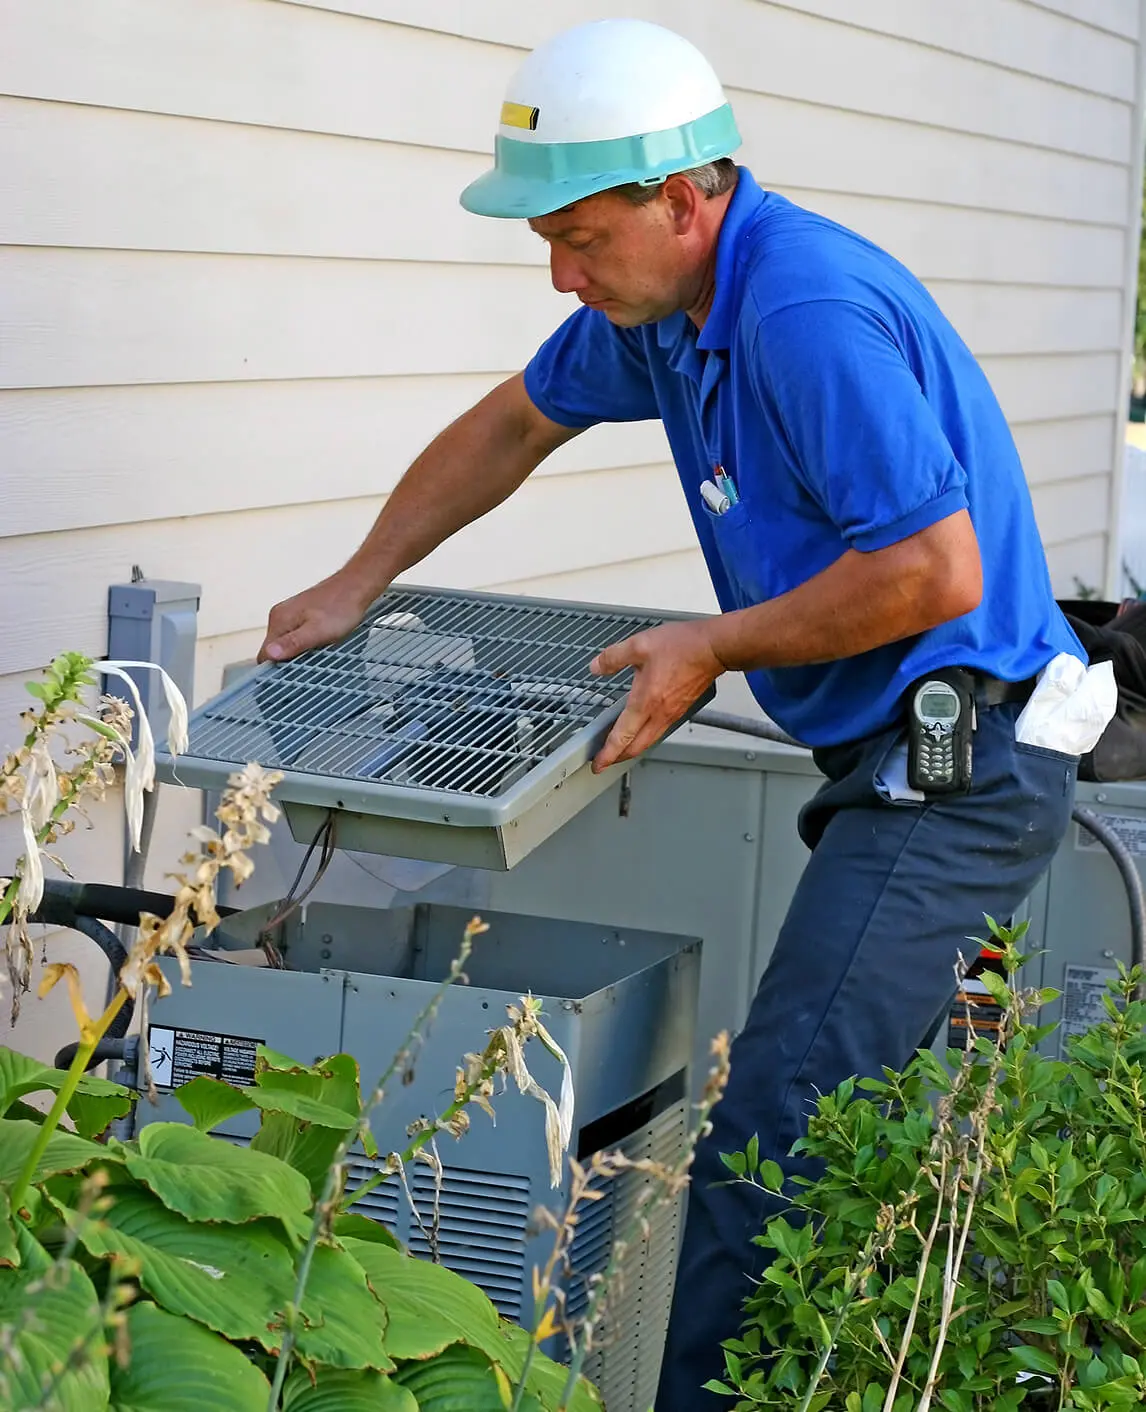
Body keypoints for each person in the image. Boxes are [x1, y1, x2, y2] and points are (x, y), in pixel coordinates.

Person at [259, 19, 1088, 1408]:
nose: (561, 271)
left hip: (960, 757)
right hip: (886, 749)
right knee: (849, 1130)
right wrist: (358, 580)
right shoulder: (665, 314)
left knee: (778, 1131)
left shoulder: (798, 313)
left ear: (685, 200)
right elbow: (512, 424)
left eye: (579, 236)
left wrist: (707, 644)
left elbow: (932, 569)